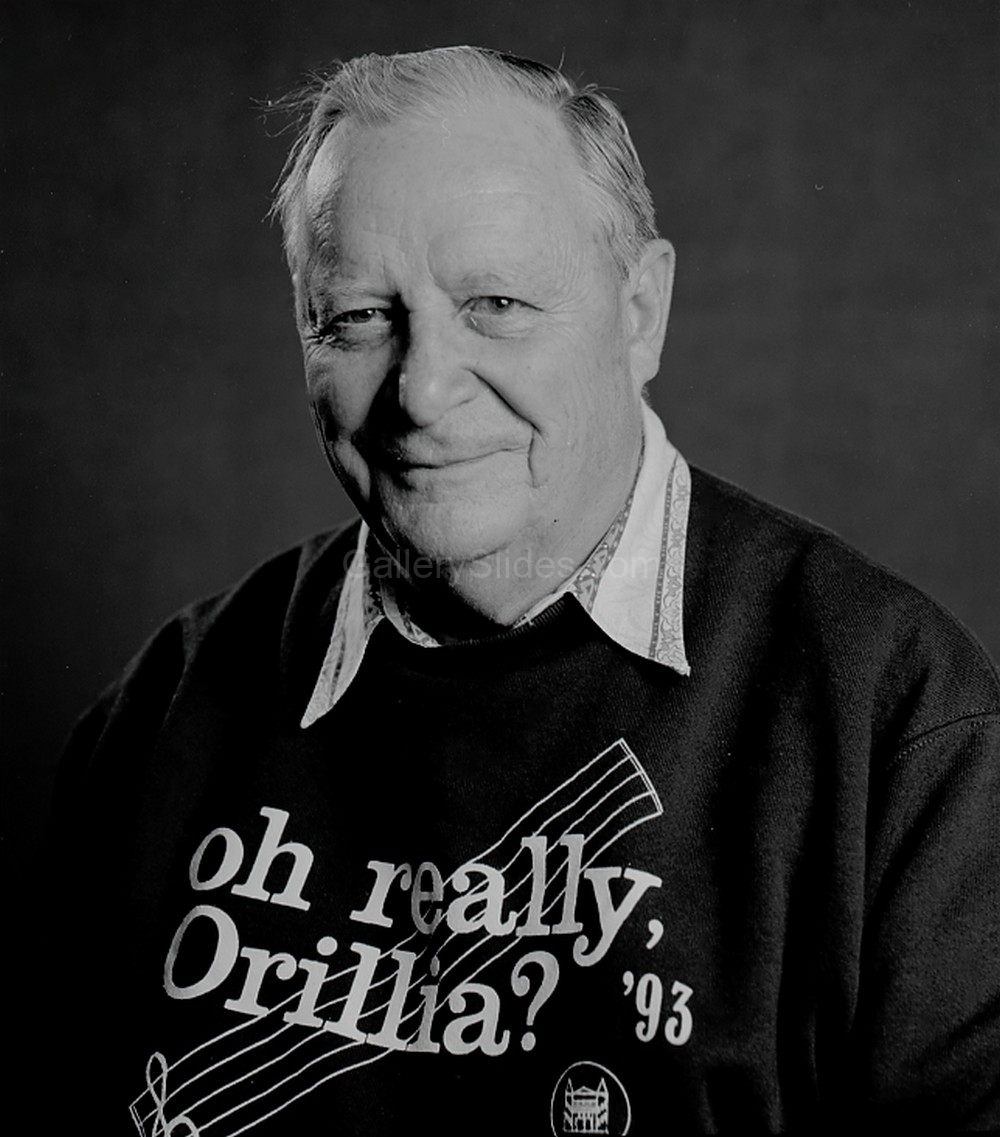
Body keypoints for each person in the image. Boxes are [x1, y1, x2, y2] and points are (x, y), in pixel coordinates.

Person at [50, 46, 999, 1135]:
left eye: (495, 303)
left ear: (640, 311)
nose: (422, 391)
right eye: (356, 316)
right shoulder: (165, 708)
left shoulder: (898, 723)